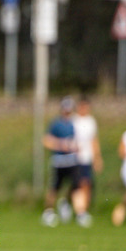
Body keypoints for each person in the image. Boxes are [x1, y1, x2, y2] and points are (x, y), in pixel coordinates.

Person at [41, 97, 79, 227]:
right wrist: (61, 145)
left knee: (74, 186)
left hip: (72, 161)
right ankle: (48, 212)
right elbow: (46, 141)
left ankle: (66, 205)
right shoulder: (56, 124)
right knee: (54, 188)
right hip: (59, 161)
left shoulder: (75, 123)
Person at [70, 95, 102, 227]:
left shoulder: (91, 121)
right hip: (74, 157)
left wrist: (97, 157)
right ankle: (78, 210)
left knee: (86, 183)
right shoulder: (73, 120)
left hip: (86, 157)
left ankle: (82, 210)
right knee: (77, 184)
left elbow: (93, 140)